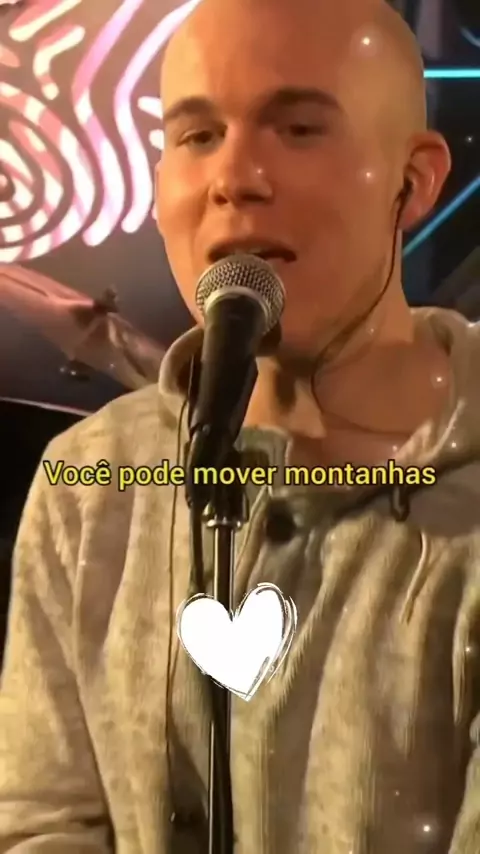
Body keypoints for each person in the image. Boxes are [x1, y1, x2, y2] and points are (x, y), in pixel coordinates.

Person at [1, 0, 479, 852]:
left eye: (298, 129)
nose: (234, 177)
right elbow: (41, 819)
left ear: (414, 181)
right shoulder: (87, 481)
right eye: (196, 136)